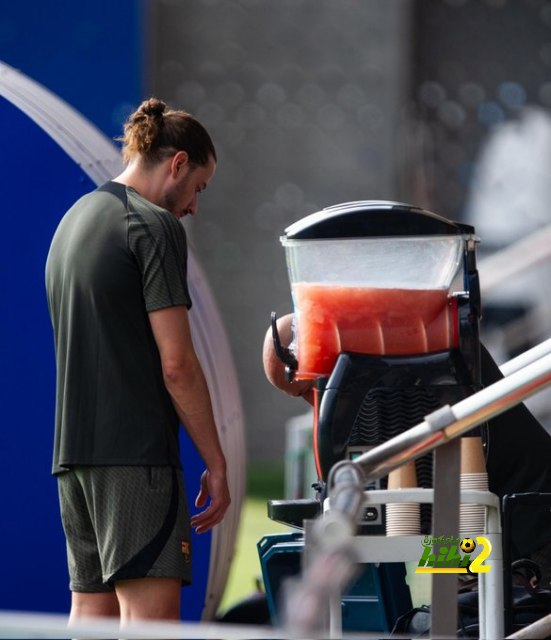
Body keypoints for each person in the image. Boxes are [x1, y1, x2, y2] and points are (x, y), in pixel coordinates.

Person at [45, 98, 230, 626]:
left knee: (91, 614)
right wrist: (215, 463)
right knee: (150, 624)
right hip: (136, 459)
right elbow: (178, 365)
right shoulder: (153, 227)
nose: (193, 206)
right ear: (176, 164)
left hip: (74, 458)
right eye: (198, 187)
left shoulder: (72, 222)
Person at [263, 313, 551, 586]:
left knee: (463, 611)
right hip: (493, 525)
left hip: (529, 528)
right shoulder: (398, 350)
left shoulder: (396, 368)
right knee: (448, 606)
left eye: (308, 391)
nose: (313, 405)